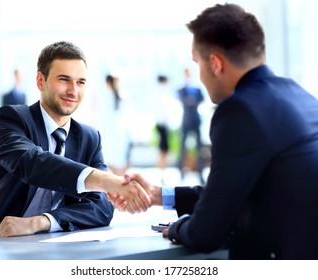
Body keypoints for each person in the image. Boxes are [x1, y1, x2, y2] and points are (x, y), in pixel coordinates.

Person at [110, 3, 318, 259]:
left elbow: (205, 233)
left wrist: (177, 228)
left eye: (197, 63)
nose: (199, 76)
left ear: (216, 64)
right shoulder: (300, 96)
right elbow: (228, 192)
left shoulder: (239, 111)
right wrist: (158, 195)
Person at [0, 41, 150, 241]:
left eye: (80, 82)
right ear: (41, 81)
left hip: (48, 244)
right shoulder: (10, 119)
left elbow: (102, 207)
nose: (73, 91)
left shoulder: (89, 138)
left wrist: (42, 221)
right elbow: (32, 163)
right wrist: (107, 181)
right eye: (64, 79)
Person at [95, 73, 132, 176]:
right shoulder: (114, 95)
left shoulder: (117, 95)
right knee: (115, 161)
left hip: (115, 134)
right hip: (114, 133)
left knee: (112, 161)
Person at [177, 68, 205, 184]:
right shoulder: (181, 89)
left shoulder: (197, 89)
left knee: (200, 147)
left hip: (196, 120)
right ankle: (181, 173)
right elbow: (182, 99)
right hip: (186, 121)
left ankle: (201, 173)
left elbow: (201, 99)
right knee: (182, 148)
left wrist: (192, 101)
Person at [153, 75, 172, 183]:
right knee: (163, 150)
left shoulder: (160, 93)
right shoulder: (161, 93)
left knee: (163, 150)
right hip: (162, 125)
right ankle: (162, 173)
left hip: (162, 125)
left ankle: (162, 173)